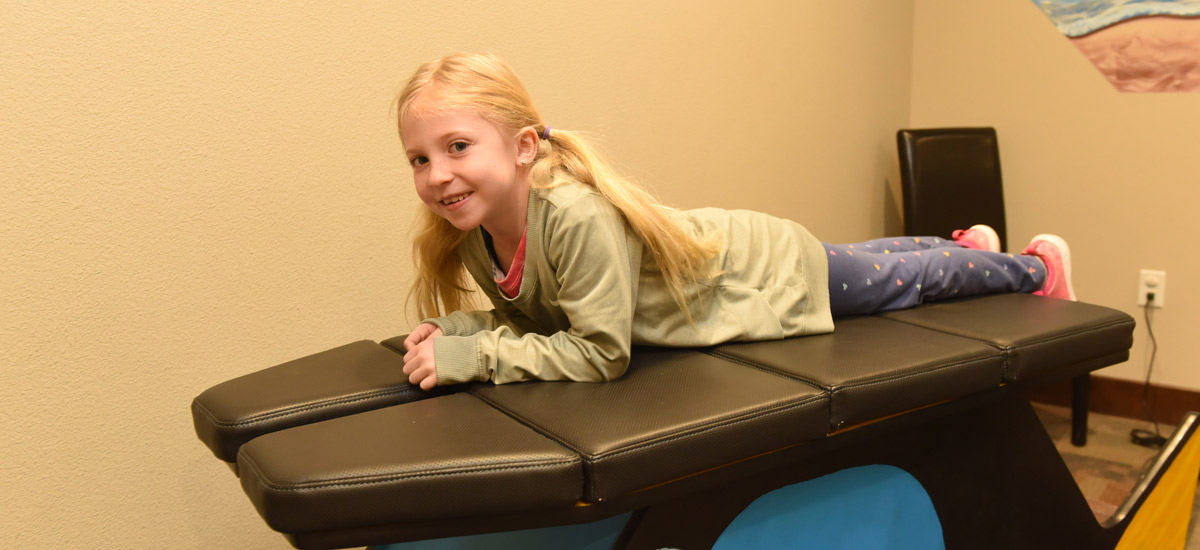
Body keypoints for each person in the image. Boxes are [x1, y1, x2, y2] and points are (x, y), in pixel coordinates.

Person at [396, 52, 1074, 390]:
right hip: (738, 256)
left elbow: (601, 353)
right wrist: (454, 329)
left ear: (521, 149)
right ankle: (965, 246)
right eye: (420, 159)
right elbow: (540, 321)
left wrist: (472, 357)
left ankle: (1031, 269)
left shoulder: (571, 214)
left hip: (764, 271)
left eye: (457, 147)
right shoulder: (481, 232)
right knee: (877, 257)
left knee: (905, 283)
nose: (437, 175)